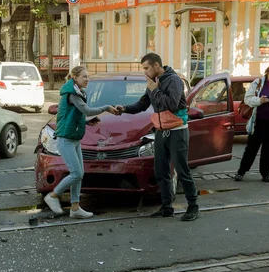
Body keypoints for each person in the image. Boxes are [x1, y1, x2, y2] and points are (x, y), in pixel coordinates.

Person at [116, 53, 199, 221]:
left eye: (146, 68)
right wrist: (123, 109)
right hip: (161, 131)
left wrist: (156, 90)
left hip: (177, 130)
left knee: (182, 170)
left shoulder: (173, 80)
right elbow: (143, 104)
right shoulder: (153, 83)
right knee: (161, 170)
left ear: (156, 66)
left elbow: (171, 104)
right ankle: (167, 207)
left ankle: (193, 207)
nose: (145, 72)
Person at [43, 66, 118, 219]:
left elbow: (74, 116)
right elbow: (87, 110)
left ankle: (75, 208)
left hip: (74, 139)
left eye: (88, 77)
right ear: (74, 78)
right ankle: (53, 195)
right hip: (65, 140)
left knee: (79, 174)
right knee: (76, 173)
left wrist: (86, 122)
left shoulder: (78, 92)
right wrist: (106, 108)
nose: (87, 79)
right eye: (84, 77)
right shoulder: (72, 94)